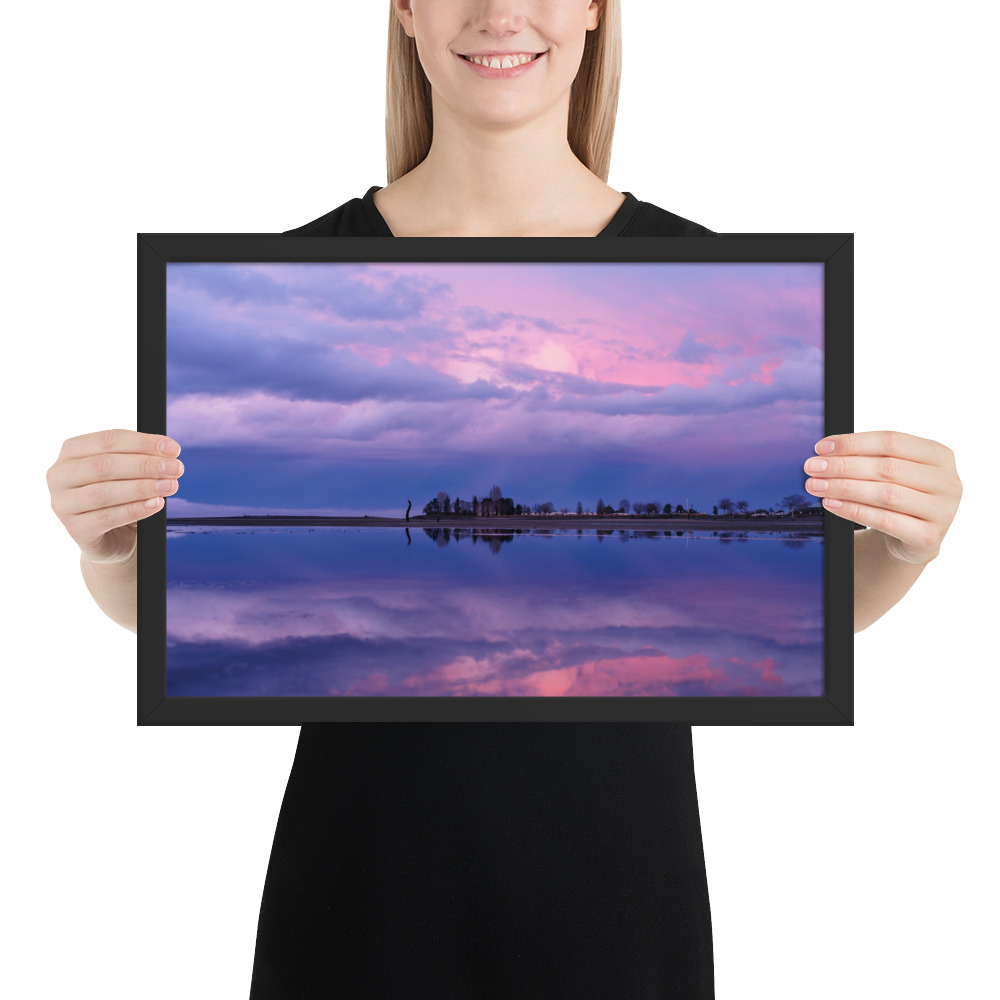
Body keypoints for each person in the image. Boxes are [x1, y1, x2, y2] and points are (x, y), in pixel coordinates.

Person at [45, 2, 963, 996]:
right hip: (363, 886)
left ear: (595, 10)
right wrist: (108, 547)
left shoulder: (721, 279)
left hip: (618, 887)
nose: (499, 11)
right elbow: (172, 617)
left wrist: (905, 543)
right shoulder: (279, 269)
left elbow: (812, 608)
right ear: (402, 9)